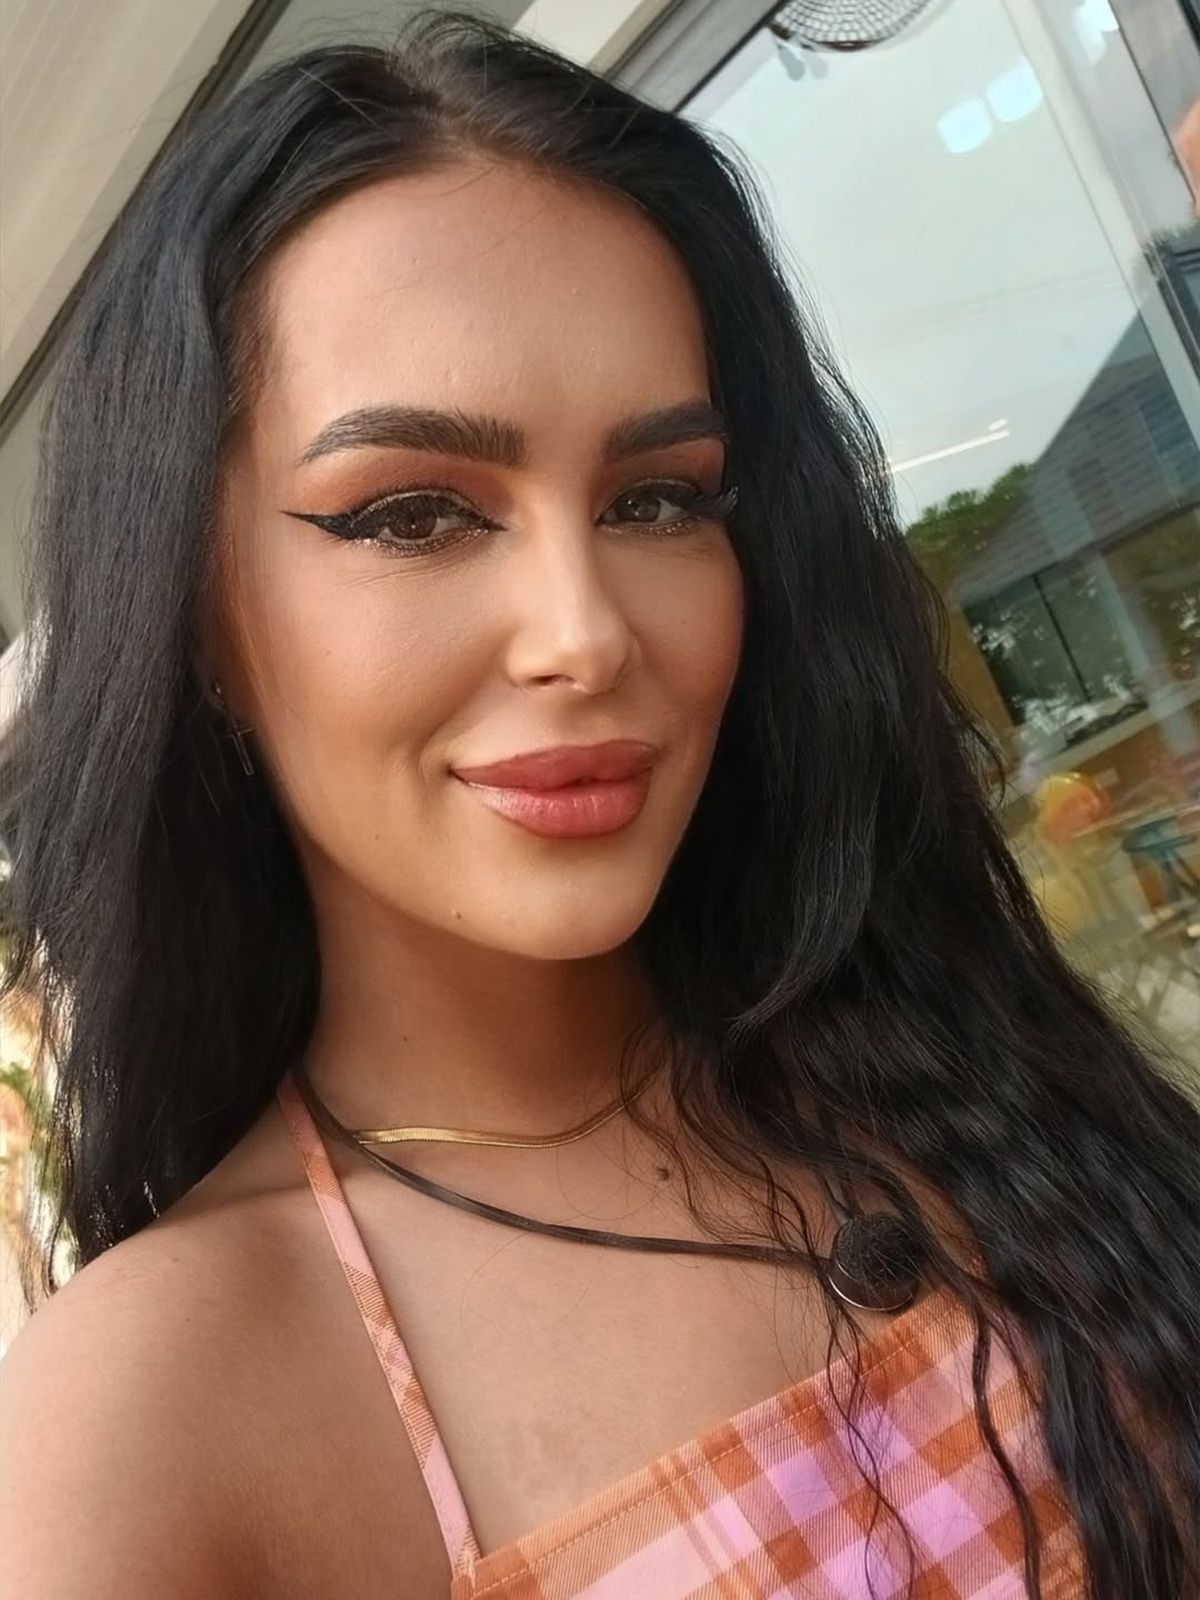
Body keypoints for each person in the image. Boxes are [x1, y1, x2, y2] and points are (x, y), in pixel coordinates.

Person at [0, 13, 1196, 1599]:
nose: (585, 631)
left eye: (657, 499)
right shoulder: (146, 1422)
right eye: (412, 514)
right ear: (196, 612)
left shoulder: (936, 1049)